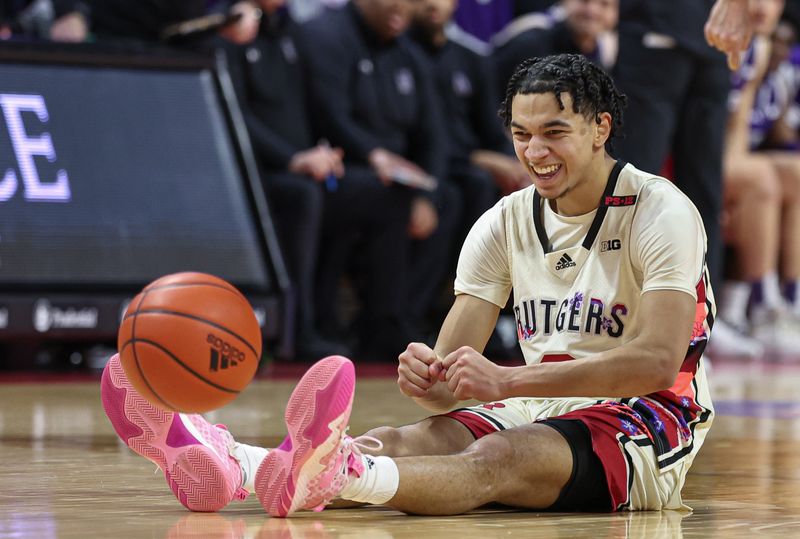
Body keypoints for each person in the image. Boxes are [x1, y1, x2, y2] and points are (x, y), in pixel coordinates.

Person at [101, 54, 716, 515]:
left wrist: (503, 381)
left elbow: (657, 364)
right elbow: (445, 391)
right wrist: (428, 374)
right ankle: (236, 464)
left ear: (600, 128)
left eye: (555, 132)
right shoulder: (501, 222)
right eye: (522, 134)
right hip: (538, 401)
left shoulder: (660, 210)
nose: (535, 151)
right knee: (404, 438)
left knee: (500, 457)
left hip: (650, 418)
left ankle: (312, 472)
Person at [297, 0, 451, 360]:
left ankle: (406, 317)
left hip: (398, 179)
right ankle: (384, 323)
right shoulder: (328, 35)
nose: (401, 8)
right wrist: (372, 155)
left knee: (455, 196)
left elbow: (435, 136)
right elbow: (329, 114)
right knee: (389, 199)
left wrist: (430, 194)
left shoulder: (409, 57)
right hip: (337, 168)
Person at [612, 0, 753, 357]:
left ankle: (702, 321)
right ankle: (615, 314)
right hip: (655, 24)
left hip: (713, 35)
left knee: (704, 188)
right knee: (636, 182)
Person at [221, 0, 350, 360]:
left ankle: (360, 323)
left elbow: (319, 104)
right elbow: (234, 113)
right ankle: (298, 329)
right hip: (253, 172)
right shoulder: (228, 29)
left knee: (375, 196)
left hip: (307, 165)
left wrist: (328, 151)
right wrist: (293, 159)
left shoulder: (294, 32)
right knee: (304, 196)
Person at [408, 0, 528, 333]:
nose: (433, 3)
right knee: (464, 191)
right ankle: (434, 310)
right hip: (427, 168)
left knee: (503, 194)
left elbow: (493, 129)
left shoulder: (471, 57)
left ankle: (493, 319)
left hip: (466, 168)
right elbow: (425, 137)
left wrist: (517, 163)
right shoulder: (403, 53)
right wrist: (477, 158)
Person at [717, 0, 800, 359]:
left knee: (794, 172)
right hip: (686, 160)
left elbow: (738, 132)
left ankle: (789, 299)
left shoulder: (762, 49)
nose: (764, 7)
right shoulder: (718, 38)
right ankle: (762, 304)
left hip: (726, 161)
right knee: (760, 178)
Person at [492, 0, 619, 99]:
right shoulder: (530, 40)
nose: (592, 11)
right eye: (584, 1)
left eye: (604, 4)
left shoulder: (606, 58)